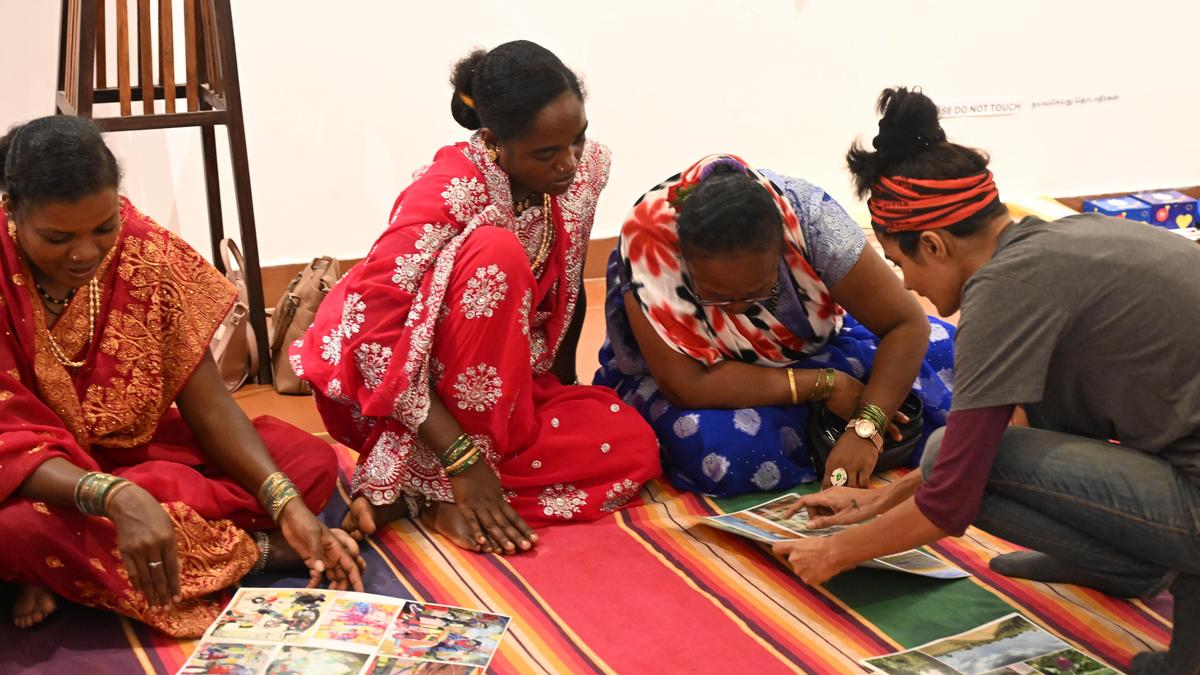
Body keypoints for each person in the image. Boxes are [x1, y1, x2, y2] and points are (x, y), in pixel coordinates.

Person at [774, 87, 1200, 675]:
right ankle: (1127, 565)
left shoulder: (1004, 292)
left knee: (948, 451)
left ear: (933, 243)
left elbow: (949, 499)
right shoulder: (1054, 239)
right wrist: (875, 501)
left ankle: (1154, 582)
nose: (910, 288)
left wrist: (834, 552)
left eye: (902, 266)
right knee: (965, 449)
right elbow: (1015, 425)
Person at [0, 116, 363, 638]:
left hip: (133, 454)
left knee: (306, 462)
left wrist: (283, 502)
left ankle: (67, 569)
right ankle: (256, 554)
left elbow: (209, 401)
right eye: (57, 238)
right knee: (17, 528)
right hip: (35, 478)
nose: (84, 254)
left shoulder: (146, 249)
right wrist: (112, 497)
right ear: (12, 210)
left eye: (103, 228)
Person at [292, 40, 660, 555]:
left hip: (503, 389)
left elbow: (568, 284)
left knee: (633, 442)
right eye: (546, 153)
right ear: (493, 140)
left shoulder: (584, 171)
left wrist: (558, 391)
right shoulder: (449, 190)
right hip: (395, 397)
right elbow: (370, 339)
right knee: (497, 252)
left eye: (577, 140)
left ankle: (416, 496)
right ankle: (446, 487)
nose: (569, 163)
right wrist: (462, 461)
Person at [594, 153, 955, 496]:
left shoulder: (812, 220)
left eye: (758, 292)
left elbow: (906, 324)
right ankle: (820, 439)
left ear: (784, 250)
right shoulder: (651, 244)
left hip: (814, 350)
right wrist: (828, 386)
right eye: (717, 297)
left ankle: (820, 444)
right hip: (718, 383)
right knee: (715, 447)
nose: (738, 310)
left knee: (947, 354)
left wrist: (867, 426)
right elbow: (687, 384)